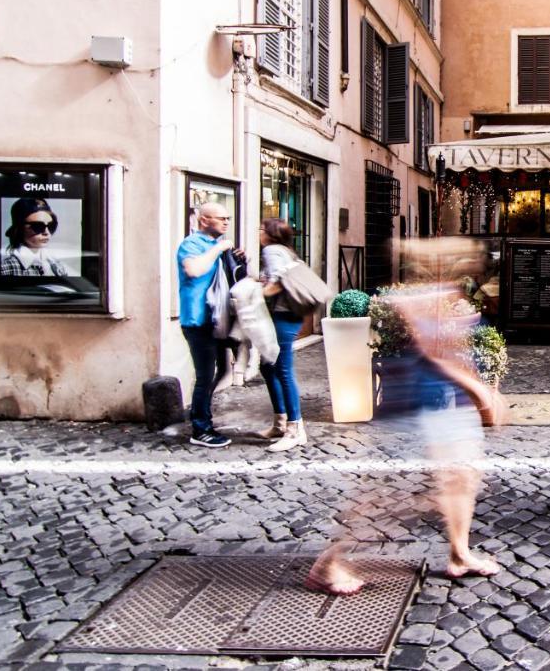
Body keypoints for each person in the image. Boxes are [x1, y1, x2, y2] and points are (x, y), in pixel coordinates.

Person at [306, 238, 507, 595]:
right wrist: (481, 392)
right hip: (420, 406)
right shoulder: (418, 301)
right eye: (461, 259)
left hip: (446, 405)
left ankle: (460, 553)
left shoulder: (446, 297)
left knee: (463, 479)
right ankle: (330, 563)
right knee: (390, 495)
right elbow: (436, 355)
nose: (470, 266)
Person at [177, 202, 245, 448]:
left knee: (224, 371)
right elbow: (194, 270)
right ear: (204, 220)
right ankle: (200, 428)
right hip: (198, 320)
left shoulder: (215, 246)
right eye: (221, 218)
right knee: (205, 376)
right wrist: (218, 249)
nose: (226, 222)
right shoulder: (191, 245)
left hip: (217, 320)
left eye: (228, 218)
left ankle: (202, 414)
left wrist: (239, 260)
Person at [257, 219, 307, 452]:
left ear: (270, 234)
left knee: (283, 369)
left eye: (260, 229)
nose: (258, 232)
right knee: (268, 366)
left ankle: (295, 429)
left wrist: (257, 296)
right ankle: (280, 422)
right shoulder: (288, 251)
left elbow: (279, 281)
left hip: (283, 314)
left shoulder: (271, 250)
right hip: (290, 314)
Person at [1, 197, 70, 277]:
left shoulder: (58, 266)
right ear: (19, 229)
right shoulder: (6, 268)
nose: (46, 232)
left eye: (51, 226)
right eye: (38, 226)